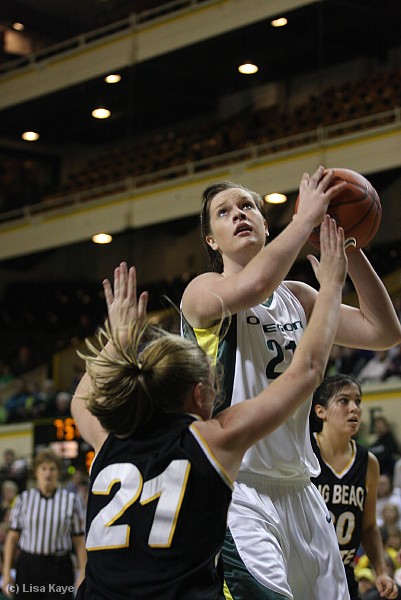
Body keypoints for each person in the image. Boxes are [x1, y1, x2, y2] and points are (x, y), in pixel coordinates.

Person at [70, 215, 348, 600]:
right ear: (201, 395)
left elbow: (81, 399)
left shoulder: (108, 443)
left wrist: (118, 339)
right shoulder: (209, 441)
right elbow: (308, 370)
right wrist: (332, 284)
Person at [180, 166, 401, 600]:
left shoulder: (297, 297)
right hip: (238, 490)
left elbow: (384, 330)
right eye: (224, 213)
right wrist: (304, 222)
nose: (239, 214)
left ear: (265, 223)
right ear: (212, 240)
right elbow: (256, 281)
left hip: (302, 488)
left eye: (248, 206)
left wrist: (346, 243)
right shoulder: (203, 292)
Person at [310, 374, 398, 600]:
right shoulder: (304, 452)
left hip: (343, 574)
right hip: (305, 572)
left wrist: (380, 571)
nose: (354, 408)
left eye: (357, 401)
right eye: (344, 401)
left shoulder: (368, 463)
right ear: (321, 411)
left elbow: (368, 527)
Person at [1, 448, 87, 599]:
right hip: (29, 566)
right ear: (36, 472)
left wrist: (82, 573)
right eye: (44, 468)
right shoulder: (23, 499)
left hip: (59, 567)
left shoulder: (71, 500)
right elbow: (12, 538)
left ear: (58, 472)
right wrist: (7, 572)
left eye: (52, 469)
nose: (48, 473)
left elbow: (79, 541)